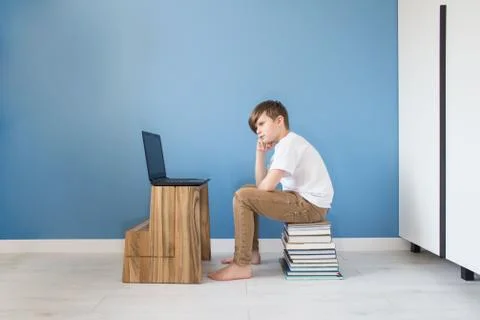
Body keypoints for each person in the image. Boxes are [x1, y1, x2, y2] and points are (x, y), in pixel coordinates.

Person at [208, 100, 334, 281]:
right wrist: (260, 154)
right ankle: (251, 254)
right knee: (246, 191)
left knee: (243, 196)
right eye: (255, 127)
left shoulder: (289, 144)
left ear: (279, 121)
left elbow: (265, 187)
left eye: (261, 124)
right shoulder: (286, 144)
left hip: (310, 206)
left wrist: (261, 183)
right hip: (304, 201)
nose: (257, 131)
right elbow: (262, 186)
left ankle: (241, 265)